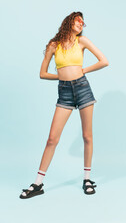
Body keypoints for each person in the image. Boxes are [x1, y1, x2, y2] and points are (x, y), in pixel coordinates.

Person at [19, 11, 109, 199]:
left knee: (87, 136)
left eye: (83, 23)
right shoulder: (54, 45)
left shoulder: (82, 42)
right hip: (65, 92)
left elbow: (104, 61)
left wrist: (82, 70)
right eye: (78, 21)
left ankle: (87, 179)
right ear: (69, 21)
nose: (81, 24)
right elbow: (42, 73)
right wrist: (60, 76)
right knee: (52, 139)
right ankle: (38, 184)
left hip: (83, 88)